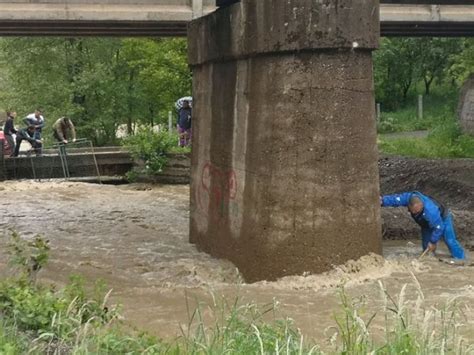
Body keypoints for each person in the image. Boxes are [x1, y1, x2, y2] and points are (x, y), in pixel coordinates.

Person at [381, 191, 466, 260]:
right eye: (413, 211)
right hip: (425, 223)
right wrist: (382, 201)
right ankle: (431, 260)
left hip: (443, 219)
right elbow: (395, 199)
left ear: (422, 205)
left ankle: (461, 259)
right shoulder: (409, 198)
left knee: (450, 241)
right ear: (409, 205)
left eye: (418, 211)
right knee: (426, 247)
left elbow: (439, 228)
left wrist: (433, 242)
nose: (415, 213)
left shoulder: (431, 211)